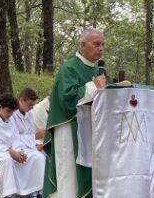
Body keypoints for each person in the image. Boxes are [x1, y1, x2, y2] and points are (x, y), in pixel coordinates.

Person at [43, 28, 106, 198]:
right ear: (82, 45)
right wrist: (94, 86)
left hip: (90, 131)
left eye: (102, 45)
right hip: (69, 130)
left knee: (88, 176)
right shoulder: (68, 68)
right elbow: (67, 100)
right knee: (69, 176)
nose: (100, 48)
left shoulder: (97, 70)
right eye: (96, 44)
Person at [0, 93, 44, 198]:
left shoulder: (10, 118)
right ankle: (8, 195)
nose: (10, 115)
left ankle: (33, 193)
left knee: (37, 156)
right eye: (8, 111)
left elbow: (15, 139)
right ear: (0, 107)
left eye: (12, 112)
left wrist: (19, 151)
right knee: (7, 160)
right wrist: (9, 151)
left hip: (11, 149)